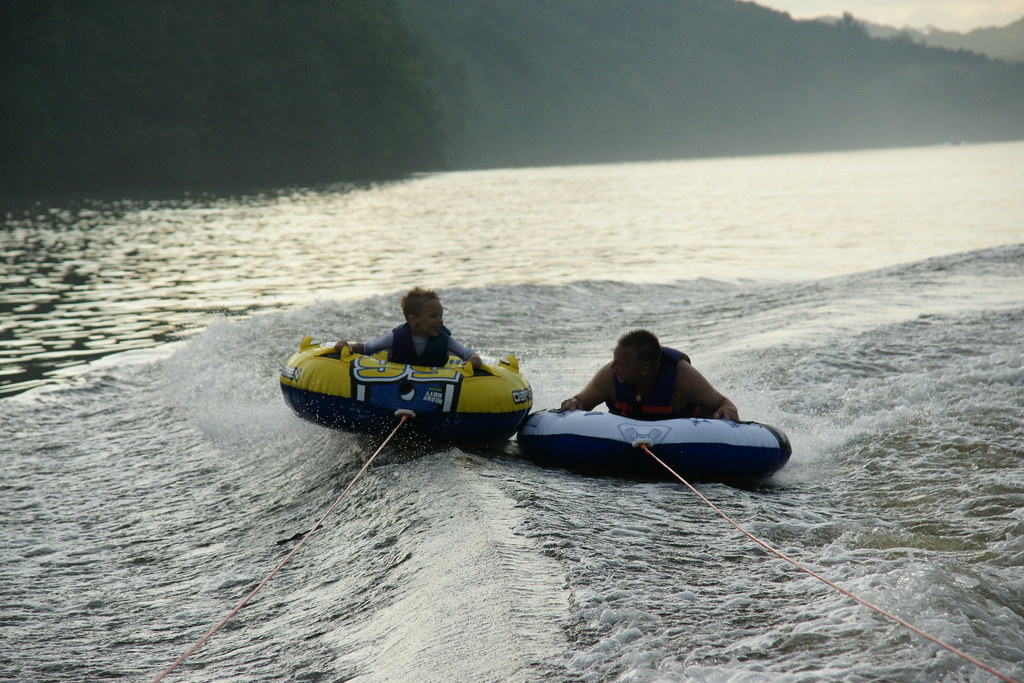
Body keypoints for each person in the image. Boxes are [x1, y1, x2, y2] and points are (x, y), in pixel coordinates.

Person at [560, 329, 739, 421]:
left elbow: (723, 403)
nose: (613, 366)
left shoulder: (683, 377)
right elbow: (581, 402)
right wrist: (575, 402)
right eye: (614, 359)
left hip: (683, 436)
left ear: (644, 370)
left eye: (621, 364)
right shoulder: (609, 376)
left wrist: (727, 411)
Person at [334, 287, 482, 369]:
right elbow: (367, 348)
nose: (440, 321)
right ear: (413, 320)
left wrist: (473, 360)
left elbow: (467, 353)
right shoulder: (395, 338)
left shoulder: (444, 340)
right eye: (433, 317)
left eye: (441, 316)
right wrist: (348, 347)